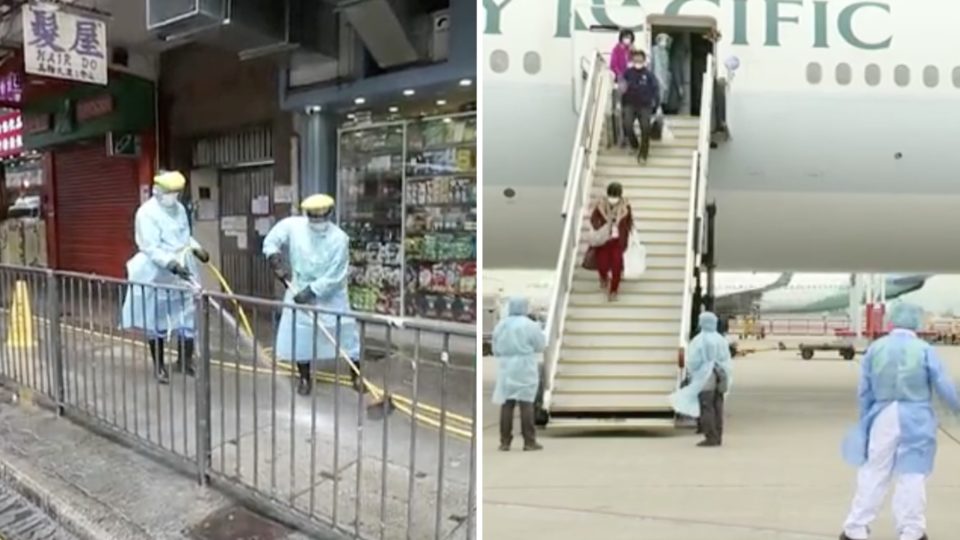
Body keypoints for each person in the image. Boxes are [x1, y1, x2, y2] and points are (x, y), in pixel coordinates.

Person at [839, 302, 960, 540]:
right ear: (917, 323)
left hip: (882, 414)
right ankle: (911, 530)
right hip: (916, 417)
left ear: (891, 322)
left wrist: (866, 420)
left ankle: (856, 527)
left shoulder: (876, 349)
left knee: (874, 470)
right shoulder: (924, 349)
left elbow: (864, 390)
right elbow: (943, 385)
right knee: (912, 473)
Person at [262, 193, 362, 396]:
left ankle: (356, 375)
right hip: (298, 288)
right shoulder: (293, 226)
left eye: (321, 217)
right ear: (306, 214)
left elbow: (335, 275)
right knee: (302, 337)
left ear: (330, 214)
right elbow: (271, 241)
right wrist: (275, 260)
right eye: (313, 217)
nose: (317, 222)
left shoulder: (339, 239)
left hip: (330, 296)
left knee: (346, 335)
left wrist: (312, 291)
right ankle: (304, 378)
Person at [120, 171, 210, 384]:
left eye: (177, 193)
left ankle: (185, 361)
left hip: (182, 269)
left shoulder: (178, 209)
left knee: (188, 316)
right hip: (157, 272)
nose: (174, 197)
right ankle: (159, 366)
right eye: (170, 193)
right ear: (158, 191)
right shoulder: (146, 213)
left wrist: (197, 249)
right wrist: (170, 263)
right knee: (157, 320)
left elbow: (184, 236)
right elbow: (150, 246)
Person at [668, 311, 733, 447]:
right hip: (720, 376)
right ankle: (718, 436)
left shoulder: (699, 339)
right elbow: (727, 358)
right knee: (717, 407)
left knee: (706, 407)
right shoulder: (721, 339)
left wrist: (694, 373)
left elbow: (693, 361)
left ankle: (710, 437)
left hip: (705, 377)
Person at [493, 297, 545, 452]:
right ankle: (529, 441)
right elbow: (540, 345)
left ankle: (505, 441)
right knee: (526, 403)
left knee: (507, 403)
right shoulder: (530, 325)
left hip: (506, 366)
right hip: (525, 366)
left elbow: (495, 348)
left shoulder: (501, 325)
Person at [589, 182, 632, 302]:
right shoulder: (601, 205)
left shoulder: (625, 207)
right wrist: (602, 226)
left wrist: (627, 232)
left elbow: (629, 222)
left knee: (616, 266)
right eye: (611, 195)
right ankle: (603, 277)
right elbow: (593, 219)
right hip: (603, 240)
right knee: (602, 263)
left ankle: (613, 290)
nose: (613, 198)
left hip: (618, 240)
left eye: (615, 196)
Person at [622, 49, 660, 164]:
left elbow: (655, 90)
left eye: (640, 59)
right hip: (629, 104)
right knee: (627, 125)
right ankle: (634, 145)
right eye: (636, 59)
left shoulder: (649, 75)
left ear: (644, 60)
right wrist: (620, 102)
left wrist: (656, 105)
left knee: (645, 128)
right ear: (632, 60)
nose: (638, 61)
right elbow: (621, 87)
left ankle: (643, 154)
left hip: (645, 106)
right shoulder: (627, 73)